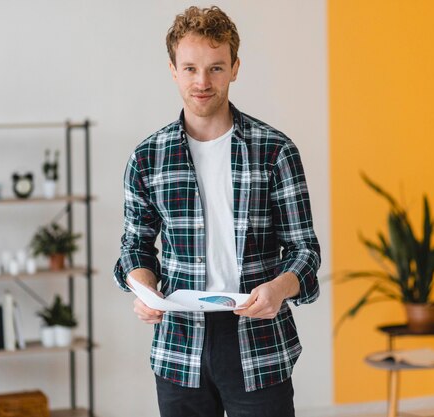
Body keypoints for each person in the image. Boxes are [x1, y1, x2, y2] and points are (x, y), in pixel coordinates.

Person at [113, 5, 320, 417]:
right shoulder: (147, 158)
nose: (202, 82)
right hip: (179, 344)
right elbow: (135, 246)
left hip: (259, 341)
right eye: (189, 68)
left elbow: (305, 251)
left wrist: (278, 290)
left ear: (235, 67)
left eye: (216, 68)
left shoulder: (275, 151)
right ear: (173, 69)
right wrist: (144, 288)